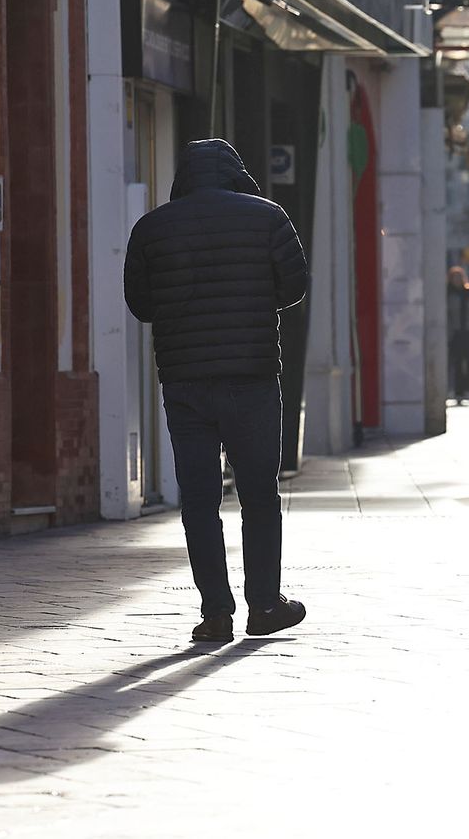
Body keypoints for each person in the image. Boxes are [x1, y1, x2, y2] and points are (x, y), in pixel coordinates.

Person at [123, 139, 309, 643]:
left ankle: (215, 614)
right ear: (234, 172)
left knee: (200, 500)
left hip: (184, 380)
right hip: (251, 376)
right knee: (258, 495)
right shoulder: (268, 217)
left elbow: (140, 304)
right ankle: (265, 605)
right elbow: (294, 286)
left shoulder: (150, 228)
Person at [447, 266, 469, 404]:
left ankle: (468, 386)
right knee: (457, 361)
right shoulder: (448, 294)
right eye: (454, 278)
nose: (457, 280)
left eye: (459, 277)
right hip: (455, 332)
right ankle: (458, 390)